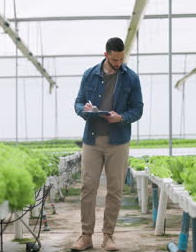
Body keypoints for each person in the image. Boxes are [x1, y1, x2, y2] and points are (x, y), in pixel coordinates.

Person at [72, 37, 143, 251]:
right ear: (106, 55)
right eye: (114, 59)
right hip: (92, 140)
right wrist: (84, 110)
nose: (118, 63)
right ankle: (86, 236)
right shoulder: (89, 74)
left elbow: (138, 109)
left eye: (121, 59)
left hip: (118, 141)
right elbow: (77, 102)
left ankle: (108, 236)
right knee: (88, 187)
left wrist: (121, 117)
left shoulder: (131, 78)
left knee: (115, 189)